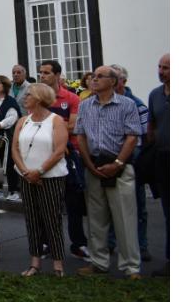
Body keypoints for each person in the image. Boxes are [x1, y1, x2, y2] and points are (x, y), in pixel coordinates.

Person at [73, 66, 142, 279]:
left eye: (99, 77)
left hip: (119, 167)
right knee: (96, 219)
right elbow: (80, 135)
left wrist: (118, 163)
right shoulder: (85, 105)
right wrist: (88, 163)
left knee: (125, 219)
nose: (94, 79)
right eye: (93, 76)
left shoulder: (127, 104)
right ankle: (99, 263)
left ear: (113, 81)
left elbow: (132, 136)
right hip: (94, 166)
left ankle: (131, 267)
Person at [10, 83, 68, 277]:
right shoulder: (23, 121)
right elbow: (15, 149)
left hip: (50, 178)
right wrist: (26, 172)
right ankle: (34, 262)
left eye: (29, 95)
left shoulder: (56, 120)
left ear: (40, 98)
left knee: (52, 220)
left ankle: (58, 264)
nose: (25, 97)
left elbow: (59, 151)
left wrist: (40, 171)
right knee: (32, 220)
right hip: (26, 177)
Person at [39, 59, 88, 259]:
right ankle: (48, 243)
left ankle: (78, 244)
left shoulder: (71, 98)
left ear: (58, 75)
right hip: (44, 154)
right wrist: (58, 127)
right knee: (48, 204)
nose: (42, 76)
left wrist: (46, 128)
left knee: (73, 202)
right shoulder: (39, 99)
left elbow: (73, 126)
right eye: (41, 72)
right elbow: (32, 123)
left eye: (46, 73)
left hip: (69, 155)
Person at [111, 63, 151, 262]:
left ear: (123, 82)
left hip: (132, 161)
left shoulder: (137, 105)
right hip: (108, 160)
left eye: (114, 78)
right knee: (110, 206)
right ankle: (111, 243)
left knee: (137, 207)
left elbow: (142, 137)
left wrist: (124, 158)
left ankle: (141, 246)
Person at [147, 53, 169, 267]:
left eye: (166, 68)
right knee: (169, 209)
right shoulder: (155, 95)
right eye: (160, 67)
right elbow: (151, 127)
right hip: (163, 156)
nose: (161, 72)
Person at [0, 75, 21, 202]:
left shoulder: (11, 101)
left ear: (5, 86)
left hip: (6, 135)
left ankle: (13, 190)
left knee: (9, 161)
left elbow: (13, 117)